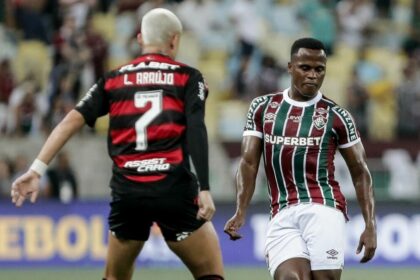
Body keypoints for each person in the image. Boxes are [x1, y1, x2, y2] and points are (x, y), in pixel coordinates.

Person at [10, 8, 224, 280]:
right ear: (174, 40)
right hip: (174, 190)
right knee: (210, 273)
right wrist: (205, 188)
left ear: (139, 38)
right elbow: (196, 128)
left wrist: (36, 169)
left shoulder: (113, 79)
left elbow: (69, 121)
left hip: (129, 194)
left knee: (115, 277)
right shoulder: (188, 76)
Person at [224, 38, 376, 280]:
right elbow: (248, 163)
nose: (313, 75)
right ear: (290, 67)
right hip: (282, 211)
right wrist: (240, 210)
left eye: (319, 69)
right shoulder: (263, 108)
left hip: (325, 208)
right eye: (305, 67)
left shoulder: (337, 115)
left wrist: (370, 224)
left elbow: (361, 172)